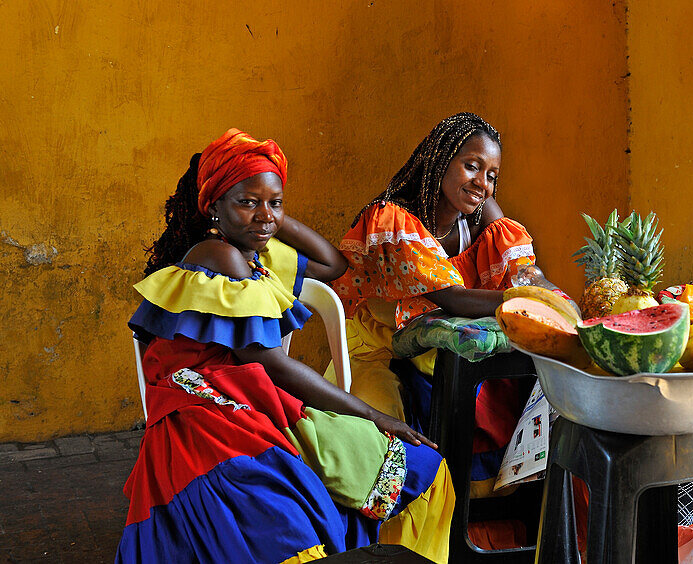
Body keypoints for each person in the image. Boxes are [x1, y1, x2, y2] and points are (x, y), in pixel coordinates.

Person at [117, 129, 454, 564]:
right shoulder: (221, 256)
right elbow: (270, 362)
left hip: (251, 398)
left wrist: (266, 215)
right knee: (303, 521)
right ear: (213, 205)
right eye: (246, 201)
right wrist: (370, 413)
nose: (264, 215)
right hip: (210, 414)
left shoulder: (251, 251)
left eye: (275, 201)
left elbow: (334, 265)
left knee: (414, 468)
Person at [330, 112, 570, 503]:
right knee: (394, 462)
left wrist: (551, 294)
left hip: (427, 357)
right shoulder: (393, 220)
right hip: (375, 356)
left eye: (492, 174)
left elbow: (523, 271)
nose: (482, 184)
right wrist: (530, 300)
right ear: (441, 161)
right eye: (471, 166)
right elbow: (452, 298)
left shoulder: (479, 214)